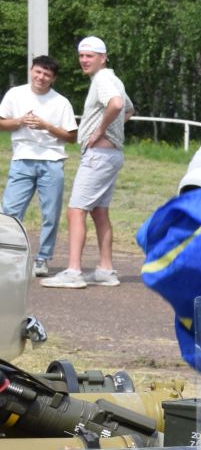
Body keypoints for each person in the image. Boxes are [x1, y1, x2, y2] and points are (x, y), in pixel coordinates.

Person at [43, 36, 129, 289]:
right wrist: (111, 130)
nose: (84, 60)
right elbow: (129, 110)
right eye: (81, 55)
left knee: (76, 210)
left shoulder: (103, 79)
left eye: (89, 55)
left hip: (99, 156)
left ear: (103, 57)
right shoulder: (114, 80)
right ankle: (105, 270)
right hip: (111, 155)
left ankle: (73, 271)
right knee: (99, 211)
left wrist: (100, 130)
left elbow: (117, 104)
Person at [0, 55, 78, 276]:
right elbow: (2, 122)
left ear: (53, 79)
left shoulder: (60, 102)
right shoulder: (15, 94)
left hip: (52, 161)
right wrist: (19, 121)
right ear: (31, 70)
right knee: (11, 212)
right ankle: (8, 256)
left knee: (50, 214)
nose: (41, 77)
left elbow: (71, 136)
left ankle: (43, 259)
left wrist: (46, 126)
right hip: (22, 159)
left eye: (47, 74)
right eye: (38, 72)